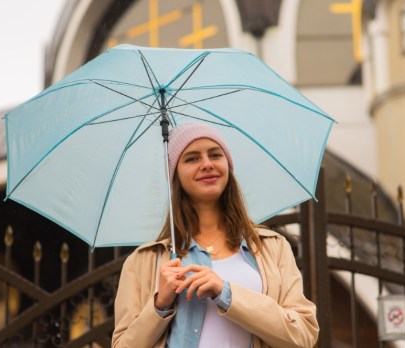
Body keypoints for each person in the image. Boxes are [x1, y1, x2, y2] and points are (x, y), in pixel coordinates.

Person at [112, 123, 319, 347]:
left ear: (228, 165)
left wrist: (225, 292)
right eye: (192, 158)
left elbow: (303, 336)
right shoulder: (144, 261)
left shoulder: (272, 248)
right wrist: (160, 304)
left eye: (215, 155)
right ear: (175, 175)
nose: (207, 164)